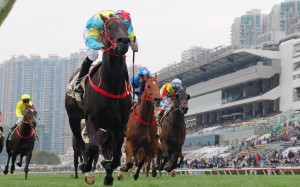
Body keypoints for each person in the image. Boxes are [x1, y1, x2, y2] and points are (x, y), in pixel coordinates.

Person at [74, 10, 138, 94]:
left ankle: (126, 86)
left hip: (111, 33)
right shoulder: (98, 21)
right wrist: (100, 46)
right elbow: (89, 40)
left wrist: (134, 45)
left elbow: (131, 36)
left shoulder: (127, 21)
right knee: (93, 55)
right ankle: (79, 82)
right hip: (95, 31)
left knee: (118, 51)